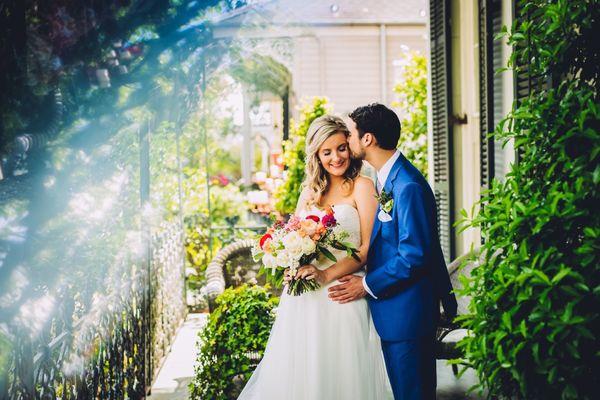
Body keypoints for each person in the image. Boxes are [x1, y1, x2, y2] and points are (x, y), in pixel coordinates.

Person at [237, 115, 393, 399]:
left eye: (342, 148)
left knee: (344, 376)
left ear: (350, 146)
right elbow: (295, 236)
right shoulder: (310, 192)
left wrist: (326, 275)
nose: (336, 157)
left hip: (342, 292)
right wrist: (291, 266)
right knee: (302, 376)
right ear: (317, 156)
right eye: (327, 152)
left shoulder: (363, 186)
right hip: (305, 300)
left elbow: (367, 249)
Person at [328, 103, 458, 400]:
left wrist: (365, 284)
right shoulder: (389, 178)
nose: (346, 141)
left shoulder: (407, 185)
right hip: (399, 313)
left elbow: (413, 256)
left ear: (367, 139)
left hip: (407, 314)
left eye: (349, 134)